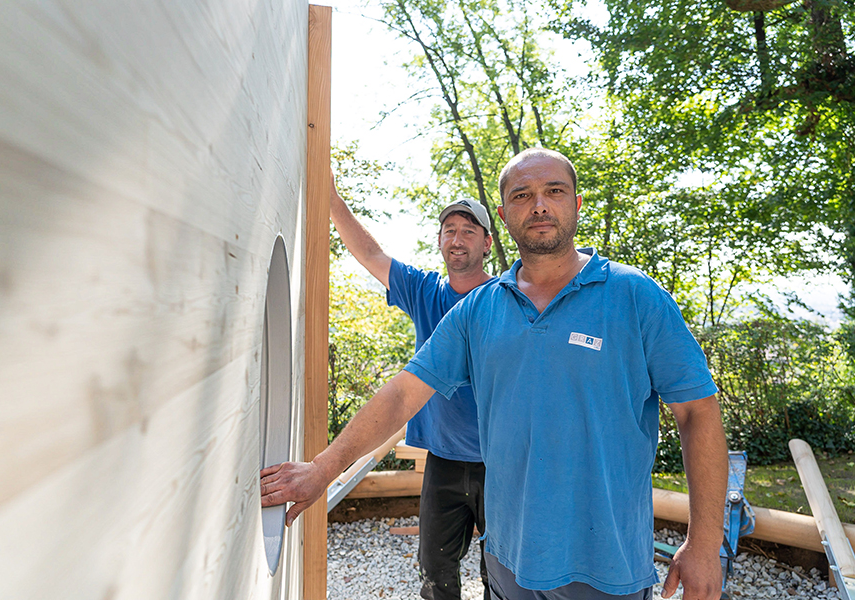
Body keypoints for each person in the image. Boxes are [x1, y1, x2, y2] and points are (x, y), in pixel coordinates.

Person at [262, 149, 728, 600]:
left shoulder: (634, 296)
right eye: (523, 195)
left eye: (555, 190)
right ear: (505, 216)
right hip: (509, 563)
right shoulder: (478, 310)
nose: (540, 204)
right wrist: (322, 467)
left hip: (606, 567)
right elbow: (404, 394)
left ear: (576, 204)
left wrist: (705, 543)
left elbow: (697, 411)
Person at [328, 175, 498, 600]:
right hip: (442, 457)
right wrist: (329, 198)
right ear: (440, 241)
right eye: (450, 231)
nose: (458, 239)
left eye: (469, 231)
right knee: (435, 569)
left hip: (502, 460)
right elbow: (369, 253)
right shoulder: (425, 291)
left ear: (487, 243)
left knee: (504, 569)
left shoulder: (505, 297)